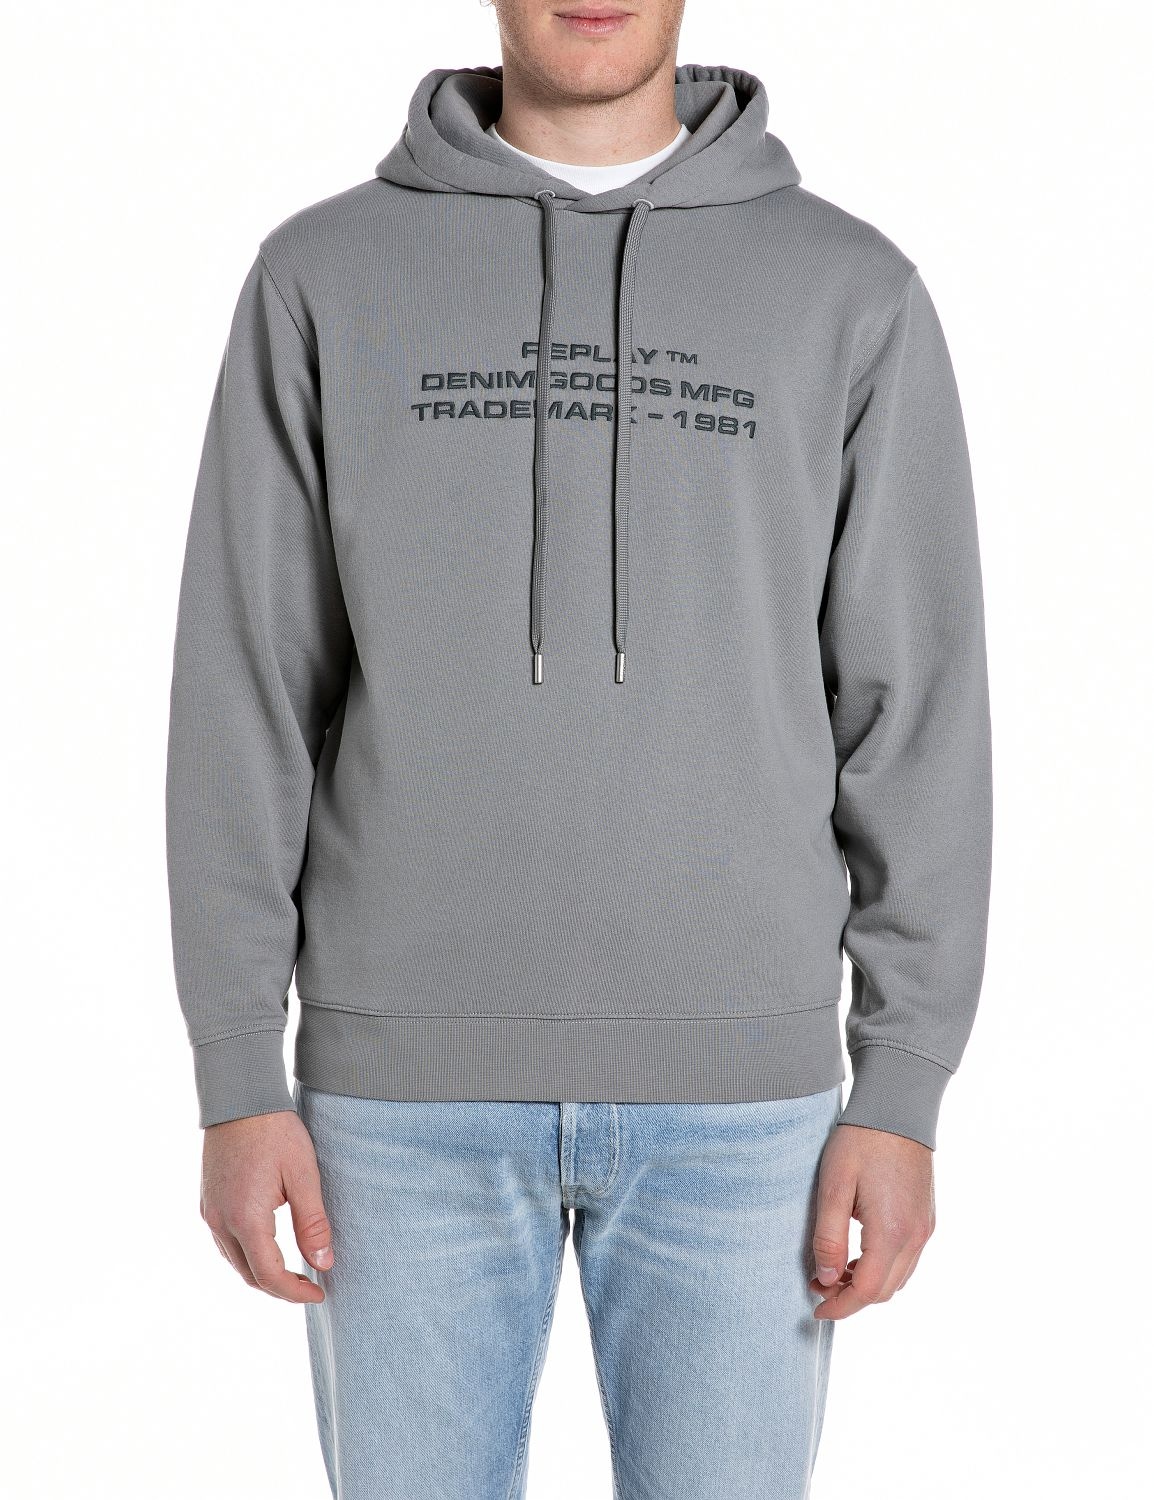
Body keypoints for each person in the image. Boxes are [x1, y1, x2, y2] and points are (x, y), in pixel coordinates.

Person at [165, 2, 993, 1495]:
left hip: (747, 1108)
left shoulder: (848, 292)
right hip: (393, 1105)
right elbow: (246, 691)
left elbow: (914, 710)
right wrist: (236, 1071)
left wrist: (902, 1081)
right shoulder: (324, 276)